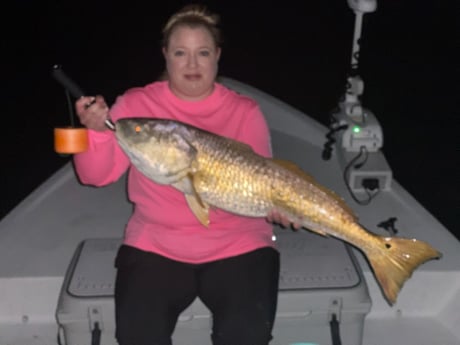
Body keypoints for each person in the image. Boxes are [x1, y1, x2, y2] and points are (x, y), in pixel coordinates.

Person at [74, 4, 293, 345]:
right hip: (156, 241)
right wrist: (97, 131)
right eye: (180, 53)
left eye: (202, 53)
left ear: (217, 56)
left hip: (238, 240)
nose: (192, 64)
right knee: (137, 335)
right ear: (166, 56)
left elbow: (264, 182)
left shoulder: (244, 111)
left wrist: (278, 207)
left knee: (246, 334)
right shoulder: (136, 107)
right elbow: (95, 176)